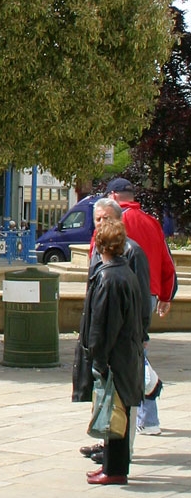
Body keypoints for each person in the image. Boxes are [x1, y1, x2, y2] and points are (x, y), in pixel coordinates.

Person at [78, 198, 152, 467]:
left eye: (106, 219)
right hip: (113, 346)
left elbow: (138, 300)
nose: (101, 225)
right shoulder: (103, 258)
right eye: (97, 220)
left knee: (122, 401)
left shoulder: (127, 260)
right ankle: (109, 451)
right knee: (109, 400)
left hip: (120, 346)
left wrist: (142, 335)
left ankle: (118, 459)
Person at [105, 178, 176, 435]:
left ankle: (141, 413)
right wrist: (166, 295)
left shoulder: (112, 222)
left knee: (126, 352)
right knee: (139, 345)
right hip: (149, 294)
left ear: (113, 196)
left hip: (121, 292)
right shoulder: (151, 222)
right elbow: (167, 262)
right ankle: (148, 418)